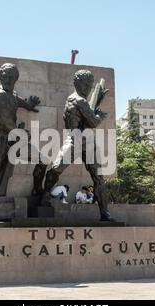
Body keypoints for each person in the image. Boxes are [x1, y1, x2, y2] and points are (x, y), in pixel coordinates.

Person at [40, 69, 114, 221]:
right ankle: (45, 194)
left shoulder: (81, 101)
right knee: (55, 169)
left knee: (98, 178)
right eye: (84, 84)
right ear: (76, 83)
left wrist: (96, 101)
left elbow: (86, 118)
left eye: (89, 85)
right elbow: (92, 121)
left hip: (87, 141)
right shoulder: (78, 100)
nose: (87, 88)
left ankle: (105, 214)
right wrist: (99, 115)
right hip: (74, 141)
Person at [0, 63, 47, 221]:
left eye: (11, 77)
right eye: (4, 76)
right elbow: (6, 121)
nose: (7, 79)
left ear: (15, 79)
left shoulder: (11, 94)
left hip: (14, 140)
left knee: (43, 160)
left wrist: (29, 105)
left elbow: (17, 100)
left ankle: (37, 191)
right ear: (0, 77)